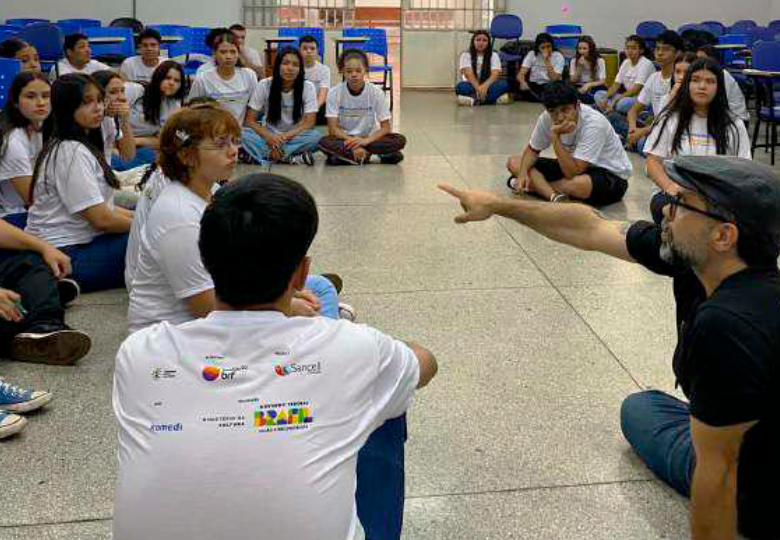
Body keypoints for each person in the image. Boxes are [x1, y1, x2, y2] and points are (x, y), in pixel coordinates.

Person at [440, 154, 779, 540]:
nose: (666, 210)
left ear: (723, 236)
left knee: (653, 421)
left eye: (682, 203)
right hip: (749, 429)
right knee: (642, 406)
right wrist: (499, 205)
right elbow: (591, 228)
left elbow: (718, 476)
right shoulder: (702, 260)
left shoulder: (726, 323)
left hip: (753, 483)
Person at [113, 172, 438, 540]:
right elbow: (424, 364)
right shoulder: (357, 348)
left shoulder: (139, 353)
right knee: (384, 405)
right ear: (301, 272)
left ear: (206, 262)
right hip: (333, 349)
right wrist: (402, 351)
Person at [127, 104, 347, 332]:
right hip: (181, 331)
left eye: (234, 141)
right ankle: (323, 337)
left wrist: (286, 293)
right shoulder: (179, 216)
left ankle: (323, 326)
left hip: (224, 297)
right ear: (187, 156)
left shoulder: (207, 191)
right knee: (312, 308)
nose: (233, 151)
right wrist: (288, 308)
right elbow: (205, 308)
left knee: (320, 287)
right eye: (221, 144)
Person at [26, 74, 133, 293]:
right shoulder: (70, 151)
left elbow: (106, 209)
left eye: (99, 100)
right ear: (66, 107)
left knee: (147, 215)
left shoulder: (77, 144)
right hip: (68, 254)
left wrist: (145, 216)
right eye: (86, 102)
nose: (98, 108)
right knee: (166, 236)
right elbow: (102, 220)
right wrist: (150, 224)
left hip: (74, 246)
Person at [645, 58, 751, 223]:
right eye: (695, 80)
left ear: (719, 87)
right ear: (687, 84)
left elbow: (744, 170)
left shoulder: (734, 124)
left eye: (710, 81)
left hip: (717, 196)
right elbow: (653, 162)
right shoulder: (669, 118)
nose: (702, 86)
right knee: (677, 214)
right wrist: (669, 187)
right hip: (676, 193)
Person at [506, 82, 632, 205]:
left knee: (579, 184)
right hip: (572, 164)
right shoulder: (547, 117)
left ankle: (535, 187)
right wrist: (522, 173)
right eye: (553, 111)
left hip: (610, 175)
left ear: (577, 105)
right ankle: (552, 195)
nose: (560, 117)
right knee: (515, 162)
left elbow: (572, 172)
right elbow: (532, 150)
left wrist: (555, 137)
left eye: (565, 110)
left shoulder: (594, 123)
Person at [319, 49, 406, 165]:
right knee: (323, 142)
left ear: (365, 71)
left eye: (358, 71)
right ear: (342, 72)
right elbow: (332, 129)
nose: (354, 75)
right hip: (344, 138)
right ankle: (368, 153)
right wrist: (352, 141)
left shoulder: (376, 92)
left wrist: (365, 141)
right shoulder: (334, 93)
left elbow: (385, 128)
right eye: (349, 71)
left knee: (399, 140)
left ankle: (350, 156)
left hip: (369, 138)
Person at [243, 47, 321, 165]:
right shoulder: (264, 84)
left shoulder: (307, 87)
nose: (290, 68)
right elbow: (250, 120)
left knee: (317, 137)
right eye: (285, 63)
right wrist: (269, 136)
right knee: (241, 134)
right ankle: (289, 158)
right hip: (268, 135)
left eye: (295, 65)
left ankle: (269, 155)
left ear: (300, 69)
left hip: (293, 136)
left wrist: (283, 137)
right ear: (278, 66)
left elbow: (309, 122)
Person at [617, 30, 684, 155]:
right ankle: (632, 137)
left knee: (644, 144)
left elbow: (671, 121)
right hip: (654, 126)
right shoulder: (654, 77)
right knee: (613, 117)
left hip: (670, 130)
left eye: (666, 49)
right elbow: (632, 110)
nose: (659, 53)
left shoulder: (681, 79)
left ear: (678, 53)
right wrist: (633, 129)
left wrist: (641, 132)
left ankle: (631, 140)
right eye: (657, 48)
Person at [0, 72, 52, 229]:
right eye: (30, 97)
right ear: (16, 102)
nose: (41, 102)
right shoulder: (12, 141)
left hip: (35, 210)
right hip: (14, 217)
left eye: (46, 96)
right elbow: (32, 199)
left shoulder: (40, 129)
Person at [187, 32, 258, 126]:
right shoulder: (202, 79)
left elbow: (254, 106)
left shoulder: (249, 75)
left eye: (233, 52)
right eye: (223, 52)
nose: (228, 56)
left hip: (240, 130)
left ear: (238, 54)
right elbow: (193, 108)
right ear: (214, 54)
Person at [125, 60, 185, 163]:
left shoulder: (174, 105)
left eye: (177, 81)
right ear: (158, 77)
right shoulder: (135, 90)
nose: (171, 83)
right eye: (167, 78)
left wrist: (136, 141)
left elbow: (165, 141)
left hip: (139, 146)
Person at [91, 70, 140, 172]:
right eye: (113, 92)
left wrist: (125, 121)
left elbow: (128, 156)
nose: (122, 98)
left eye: (122, 91)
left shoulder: (111, 119)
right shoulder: (88, 121)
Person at [595, 35, 655, 115]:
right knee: (599, 94)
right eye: (627, 48)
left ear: (641, 50)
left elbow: (636, 90)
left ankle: (609, 109)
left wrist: (616, 99)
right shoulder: (626, 62)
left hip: (642, 99)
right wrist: (606, 97)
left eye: (633, 48)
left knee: (622, 104)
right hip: (627, 96)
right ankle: (611, 109)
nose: (630, 51)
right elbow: (616, 85)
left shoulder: (646, 64)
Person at [455, 30, 510, 107]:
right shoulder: (466, 55)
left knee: (504, 85)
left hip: (489, 85)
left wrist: (484, 87)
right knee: (460, 87)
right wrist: (479, 89)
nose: (481, 43)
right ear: (473, 42)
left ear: (488, 43)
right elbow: (469, 75)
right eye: (478, 40)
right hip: (472, 85)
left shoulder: (494, 55)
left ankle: (473, 101)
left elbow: (495, 74)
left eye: (484, 40)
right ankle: (494, 100)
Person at [695, 45, 749, 123]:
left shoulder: (721, 74)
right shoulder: (705, 74)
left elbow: (717, 104)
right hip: (721, 115)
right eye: (696, 59)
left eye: (701, 59)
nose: (697, 62)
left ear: (712, 59)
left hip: (736, 120)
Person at [517, 33, 565, 102]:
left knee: (556, 91)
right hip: (535, 84)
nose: (546, 50)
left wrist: (547, 61)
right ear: (538, 47)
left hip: (551, 84)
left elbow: (554, 78)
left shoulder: (558, 56)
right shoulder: (532, 54)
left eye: (549, 46)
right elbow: (521, 74)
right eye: (543, 47)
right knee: (520, 87)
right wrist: (522, 82)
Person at [300, 34, 331, 124]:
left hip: (317, 106)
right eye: (305, 48)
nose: (308, 51)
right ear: (299, 51)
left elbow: (322, 95)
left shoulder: (324, 69)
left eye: (312, 49)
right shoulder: (295, 68)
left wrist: (311, 111)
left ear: (317, 51)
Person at [568, 35, 607, 105]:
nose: (581, 51)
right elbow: (572, 80)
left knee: (600, 94)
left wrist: (588, 85)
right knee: (568, 92)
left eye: (584, 48)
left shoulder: (599, 60)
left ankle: (586, 100)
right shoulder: (574, 60)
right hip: (578, 85)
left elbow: (602, 81)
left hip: (594, 85)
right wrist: (579, 67)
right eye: (579, 48)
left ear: (591, 49)